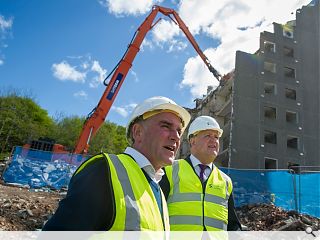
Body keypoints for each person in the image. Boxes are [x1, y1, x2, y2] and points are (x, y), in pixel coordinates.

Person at [43, 96, 191, 231]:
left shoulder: (157, 189)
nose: (176, 137)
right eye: (166, 126)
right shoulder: (104, 170)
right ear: (138, 132)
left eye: (179, 131)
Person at [160, 116, 242, 231]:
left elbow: (233, 225)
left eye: (216, 137)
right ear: (192, 141)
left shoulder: (225, 181)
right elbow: (154, 214)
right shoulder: (169, 169)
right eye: (208, 135)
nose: (214, 140)